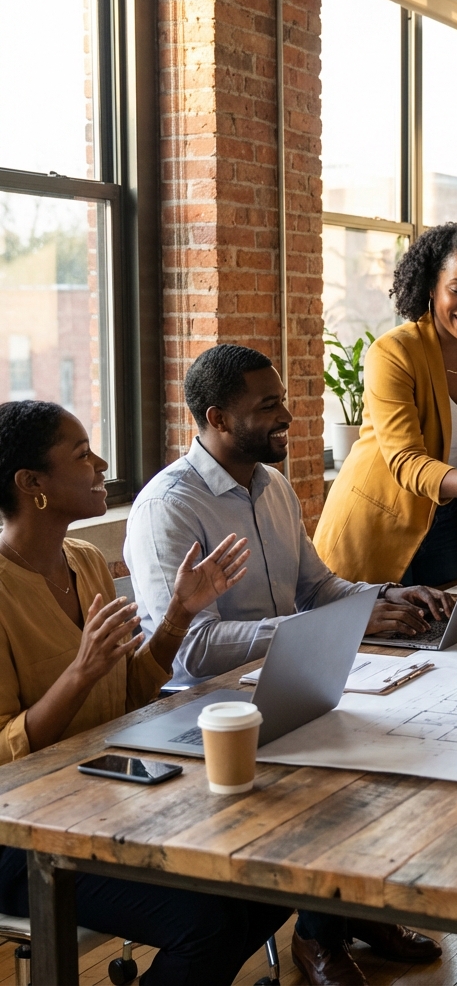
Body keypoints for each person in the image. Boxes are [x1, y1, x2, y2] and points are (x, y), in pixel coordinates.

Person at [124, 345, 444, 984]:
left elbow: (319, 588)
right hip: (201, 711)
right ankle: (320, 936)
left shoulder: (270, 486)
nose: (288, 416)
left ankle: (352, 910)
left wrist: (383, 597)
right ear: (216, 417)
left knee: (400, 745)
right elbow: (189, 648)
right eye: (267, 405)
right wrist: (323, 628)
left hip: (284, 683)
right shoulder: (170, 505)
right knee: (345, 757)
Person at [0, 400, 290, 985]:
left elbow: (129, 693)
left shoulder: (82, 561)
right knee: (207, 922)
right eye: (82, 455)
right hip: (20, 834)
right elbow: (7, 754)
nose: (102, 464)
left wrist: (180, 614)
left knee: (275, 874)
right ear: (31, 484)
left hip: (98, 796)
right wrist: (78, 673)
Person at [314, 222, 457, 587]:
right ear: (431, 288)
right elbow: (407, 462)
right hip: (376, 524)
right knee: (378, 642)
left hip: (448, 524)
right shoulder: (393, 352)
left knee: (451, 636)